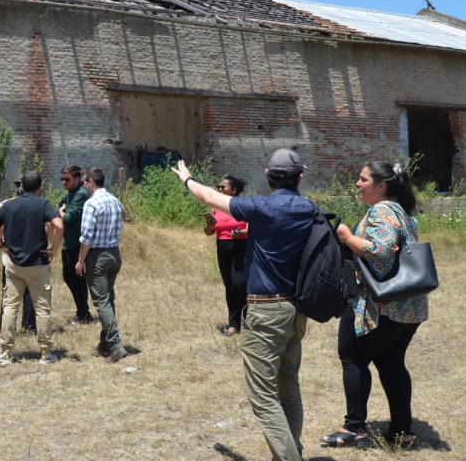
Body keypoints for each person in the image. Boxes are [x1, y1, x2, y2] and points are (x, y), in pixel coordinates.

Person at [173, 149, 313, 461]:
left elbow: (210, 198)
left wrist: (187, 179)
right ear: (300, 177)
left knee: (263, 397)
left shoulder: (260, 206)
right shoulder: (308, 208)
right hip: (296, 310)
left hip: (266, 311)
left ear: (267, 175)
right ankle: (289, 451)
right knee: (288, 386)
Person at [321, 161, 428, 449]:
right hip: (408, 306)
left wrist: (346, 236)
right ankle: (401, 431)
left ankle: (354, 428)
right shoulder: (403, 213)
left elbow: (380, 252)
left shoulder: (382, 211)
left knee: (353, 358)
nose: (357, 183)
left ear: (381, 186)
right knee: (391, 364)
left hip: (381, 304)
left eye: (363, 178)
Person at [0, 171, 63, 365]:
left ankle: (6, 352)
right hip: (38, 264)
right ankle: (46, 353)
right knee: (42, 308)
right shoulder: (44, 204)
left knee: (10, 306)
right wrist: (53, 249)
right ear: (39, 187)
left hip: (14, 264)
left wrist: (1, 245)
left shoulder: (10, 204)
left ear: (21, 187)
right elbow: (59, 225)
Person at [74, 168, 128, 363]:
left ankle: (115, 345)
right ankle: (105, 342)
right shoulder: (116, 201)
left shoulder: (91, 204)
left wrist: (80, 260)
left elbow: (87, 236)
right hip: (114, 254)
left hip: (98, 257)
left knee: (101, 302)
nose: (83, 186)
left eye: (84, 182)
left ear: (90, 182)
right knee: (108, 298)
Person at [0, 197, 36, 339]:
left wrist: (1, 233)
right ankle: (30, 326)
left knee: (9, 294)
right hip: (31, 254)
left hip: (11, 255)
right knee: (30, 292)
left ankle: (5, 328)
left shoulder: (8, 206)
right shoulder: (36, 204)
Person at [203, 175, 248, 336]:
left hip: (241, 247)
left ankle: (247, 320)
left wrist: (241, 232)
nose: (219, 189)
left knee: (239, 285)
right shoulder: (217, 207)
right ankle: (233, 324)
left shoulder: (243, 207)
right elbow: (209, 233)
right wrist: (209, 226)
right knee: (229, 286)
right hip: (222, 247)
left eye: (223, 187)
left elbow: (254, 228)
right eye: (219, 187)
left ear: (234, 190)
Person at [58, 165, 94, 325]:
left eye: (67, 179)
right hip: (68, 242)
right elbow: (58, 208)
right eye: (62, 179)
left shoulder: (80, 195)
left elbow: (67, 218)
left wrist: (62, 213)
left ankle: (83, 313)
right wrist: (61, 211)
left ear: (77, 180)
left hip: (76, 244)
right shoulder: (70, 193)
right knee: (68, 276)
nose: (64, 182)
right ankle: (82, 311)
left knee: (77, 278)